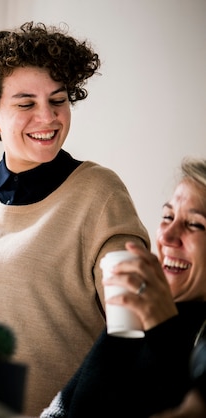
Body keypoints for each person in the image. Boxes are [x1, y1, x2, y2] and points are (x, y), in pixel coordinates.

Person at [0, 21, 150, 416]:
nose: (48, 117)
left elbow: (132, 324)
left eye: (58, 100)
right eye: (26, 104)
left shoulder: (100, 193)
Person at [40, 157, 206, 418]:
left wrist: (163, 328)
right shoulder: (134, 311)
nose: (166, 236)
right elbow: (63, 409)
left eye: (195, 224)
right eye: (167, 216)